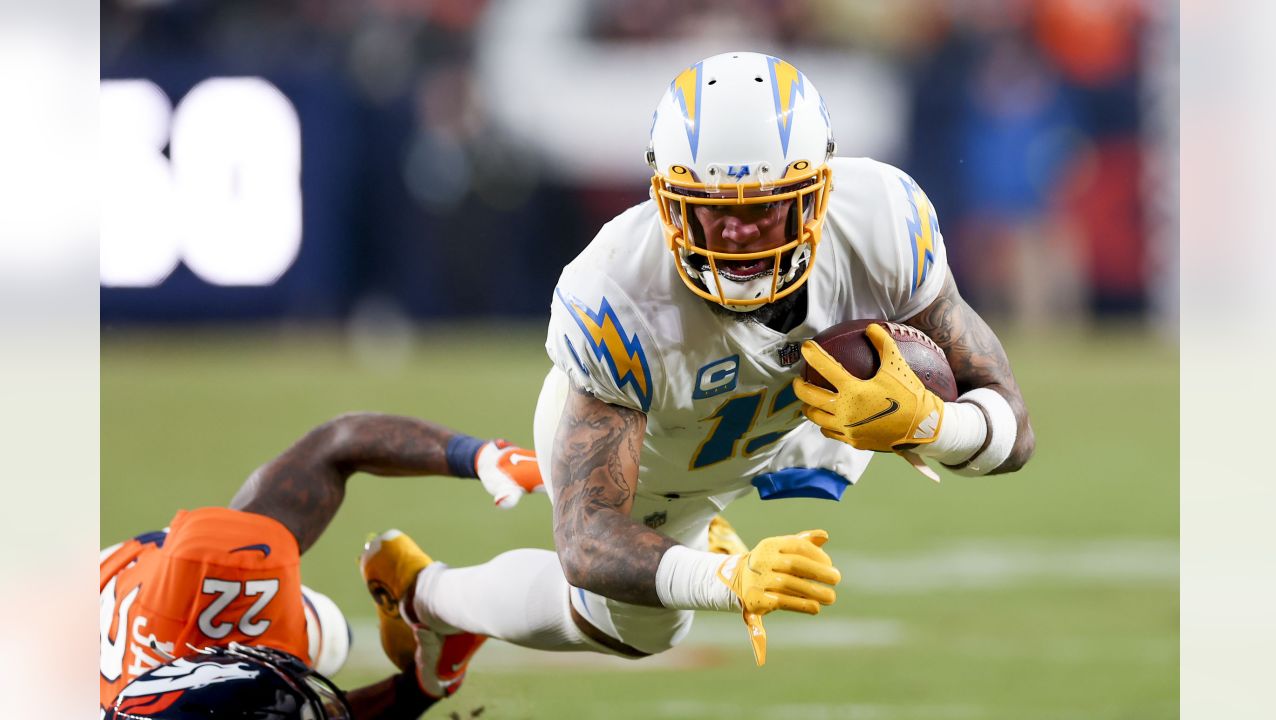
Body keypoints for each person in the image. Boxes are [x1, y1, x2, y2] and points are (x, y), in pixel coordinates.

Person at [385, 51, 1036, 668]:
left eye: (763, 208)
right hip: (664, 453)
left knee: (875, 397)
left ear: (817, 192)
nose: (736, 234)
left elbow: (1013, 424)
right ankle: (428, 596)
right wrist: (726, 578)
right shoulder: (616, 290)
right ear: (666, 200)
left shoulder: (884, 221)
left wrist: (931, 425)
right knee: (639, 631)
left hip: (798, 422)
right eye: (711, 212)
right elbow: (584, 538)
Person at [99, 412, 542, 718]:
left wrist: (481, 456)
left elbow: (335, 445)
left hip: (153, 591)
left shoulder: (217, 572)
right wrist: (426, 686)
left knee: (330, 639)